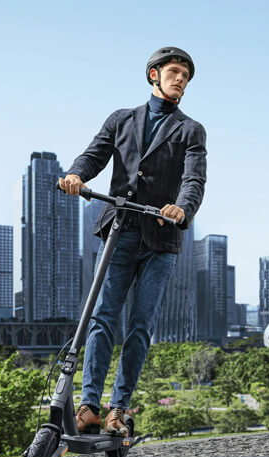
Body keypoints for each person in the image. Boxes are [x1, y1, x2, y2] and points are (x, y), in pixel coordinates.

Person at [59, 46, 206, 436]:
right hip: (120, 230)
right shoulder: (121, 119)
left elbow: (194, 180)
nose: (181, 80)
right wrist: (76, 175)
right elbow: (94, 156)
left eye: (186, 77)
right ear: (154, 75)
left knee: (140, 325)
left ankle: (118, 410)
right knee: (103, 317)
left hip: (161, 237)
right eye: (174, 72)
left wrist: (182, 208)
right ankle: (89, 405)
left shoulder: (191, 129)